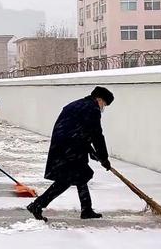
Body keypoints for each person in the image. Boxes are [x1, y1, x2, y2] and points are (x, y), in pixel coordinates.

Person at [27, 86, 114, 222]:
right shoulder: (92, 109)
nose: (103, 108)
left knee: (79, 176)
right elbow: (96, 135)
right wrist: (104, 158)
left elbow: (78, 129)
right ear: (99, 99)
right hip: (71, 148)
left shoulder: (77, 104)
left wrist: (91, 151)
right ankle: (38, 205)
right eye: (104, 104)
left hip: (65, 145)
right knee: (68, 179)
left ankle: (86, 209)